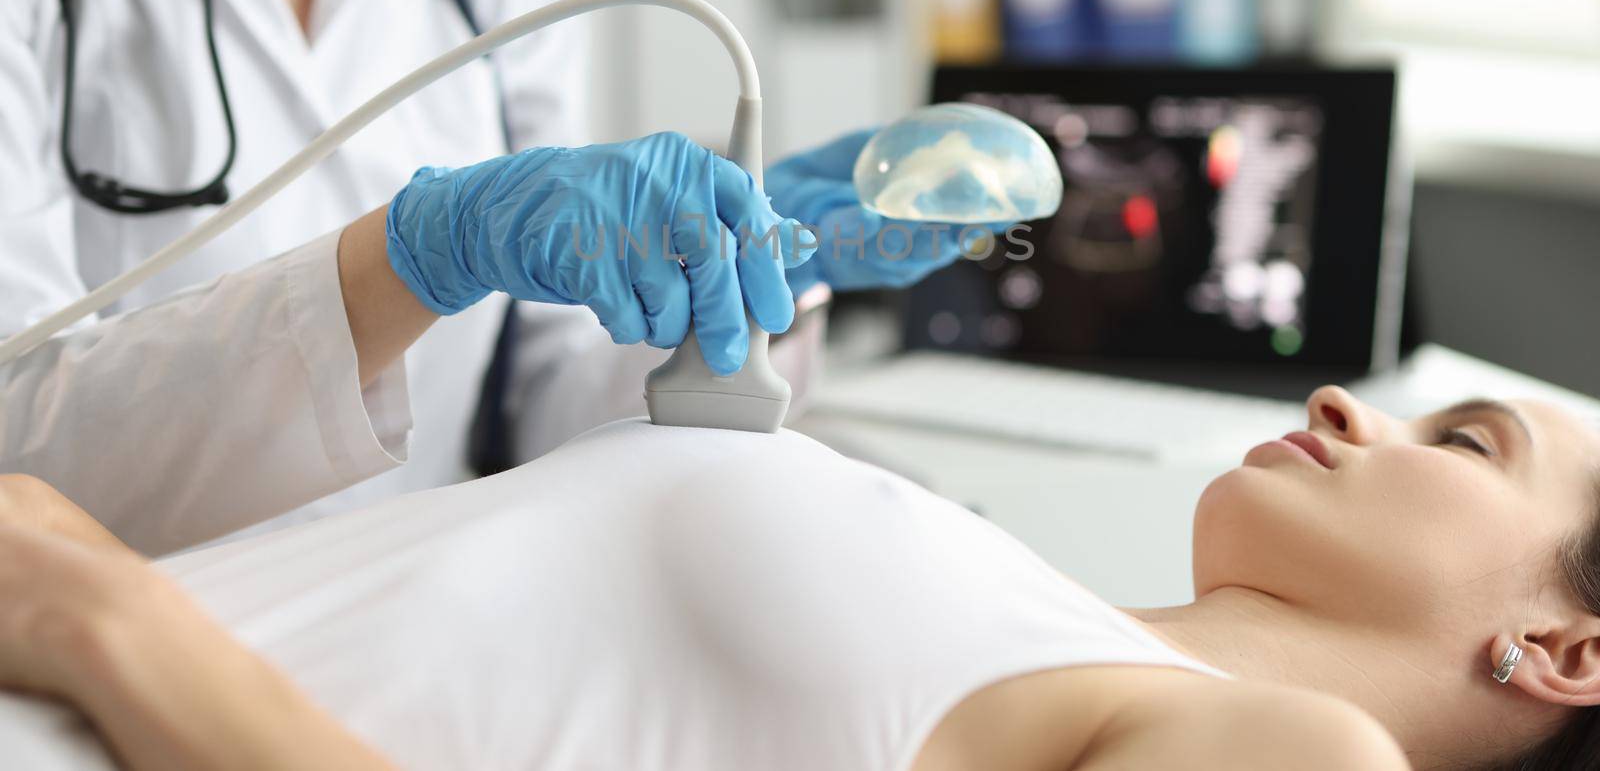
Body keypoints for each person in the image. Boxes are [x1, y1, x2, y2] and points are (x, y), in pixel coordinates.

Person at [0, 0, 977, 555]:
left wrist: (751, 273)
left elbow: (547, 410)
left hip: (435, 602)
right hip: (121, 641)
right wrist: (417, 258)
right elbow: (20, 455)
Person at [3, 383, 1600, 770]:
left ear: (1564, 646)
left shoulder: (1309, 752)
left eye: (1466, 440)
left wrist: (111, 619)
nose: (1343, 403)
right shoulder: (1034, 599)